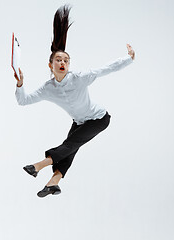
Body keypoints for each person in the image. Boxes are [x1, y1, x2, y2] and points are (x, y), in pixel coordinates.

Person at [14, 5, 135, 198]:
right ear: (50, 64)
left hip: (99, 119)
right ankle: (53, 183)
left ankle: (38, 166)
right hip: (79, 122)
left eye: (66, 60)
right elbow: (24, 101)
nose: (63, 63)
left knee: (69, 145)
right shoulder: (48, 88)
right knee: (69, 149)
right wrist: (20, 84)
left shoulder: (79, 78)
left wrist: (129, 58)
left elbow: (105, 69)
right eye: (59, 60)